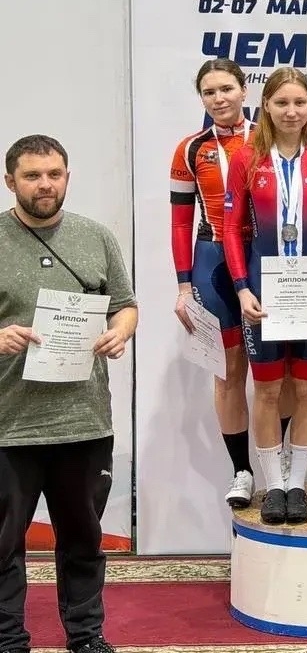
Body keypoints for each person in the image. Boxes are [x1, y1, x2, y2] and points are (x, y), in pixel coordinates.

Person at [0, 135, 137, 653]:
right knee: (2, 544)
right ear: (10, 181)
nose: (45, 184)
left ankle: (86, 636)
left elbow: (125, 305)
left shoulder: (96, 237)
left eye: (54, 174)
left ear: (67, 177)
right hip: (9, 424)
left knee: (83, 540)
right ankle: (7, 639)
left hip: (83, 421)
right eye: (32, 175)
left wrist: (120, 332)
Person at [224, 67, 307, 525]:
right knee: (268, 389)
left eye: (299, 102)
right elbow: (231, 229)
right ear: (266, 107)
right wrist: (242, 289)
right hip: (264, 291)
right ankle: (273, 486)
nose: (291, 111)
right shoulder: (246, 158)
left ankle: (298, 485)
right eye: (281, 103)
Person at [170, 59, 261, 510]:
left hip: (264, 257)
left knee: (275, 372)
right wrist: (183, 287)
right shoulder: (191, 148)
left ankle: (280, 466)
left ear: (244, 90)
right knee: (228, 372)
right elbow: (180, 222)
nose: (219, 98)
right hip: (213, 261)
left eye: (227, 89)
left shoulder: (266, 137)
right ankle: (242, 471)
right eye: (209, 92)